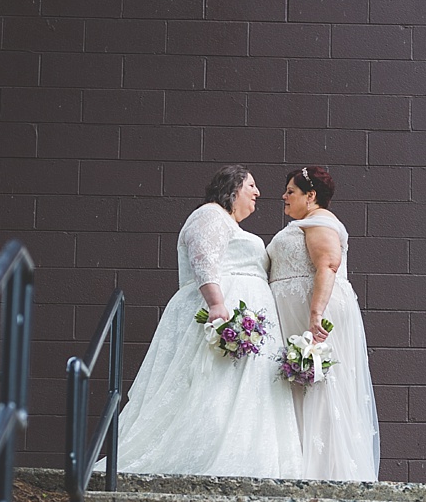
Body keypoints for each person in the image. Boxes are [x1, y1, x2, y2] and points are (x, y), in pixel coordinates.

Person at [111, 165, 302, 478]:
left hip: (249, 318)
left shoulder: (229, 224)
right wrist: (216, 304)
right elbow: (203, 255)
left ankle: (243, 457)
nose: (257, 193)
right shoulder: (210, 214)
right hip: (225, 313)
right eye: (251, 185)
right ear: (232, 187)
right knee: (212, 386)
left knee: (239, 393)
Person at [267, 166, 380, 480]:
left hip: (313, 311)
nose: (284, 197)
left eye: (291, 191)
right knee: (302, 386)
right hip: (298, 310)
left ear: (311, 195)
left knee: (318, 384)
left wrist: (315, 315)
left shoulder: (320, 222)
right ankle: (300, 463)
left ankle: (323, 471)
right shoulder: (305, 223)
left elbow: (328, 264)